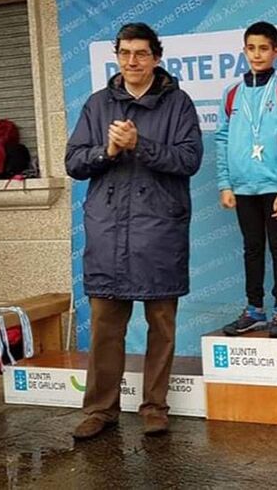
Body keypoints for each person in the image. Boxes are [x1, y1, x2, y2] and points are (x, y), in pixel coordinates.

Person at [65, 23, 203, 439]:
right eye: (125, 53)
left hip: (159, 230)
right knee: (106, 326)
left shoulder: (178, 103)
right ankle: (99, 410)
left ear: (156, 58)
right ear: (117, 56)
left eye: (141, 53)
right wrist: (107, 150)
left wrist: (139, 144)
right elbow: (74, 163)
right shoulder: (97, 104)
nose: (132, 61)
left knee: (161, 325)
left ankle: (155, 407)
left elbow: (189, 160)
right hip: (108, 231)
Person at [216, 21, 277, 338]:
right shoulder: (231, 94)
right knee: (251, 247)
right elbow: (222, 140)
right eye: (251, 48)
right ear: (244, 51)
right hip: (242, 187)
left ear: (276, 52)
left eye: (263, 48)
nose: (257, 54)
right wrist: (225, 184)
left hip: (274, 187)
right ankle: (254, 309)